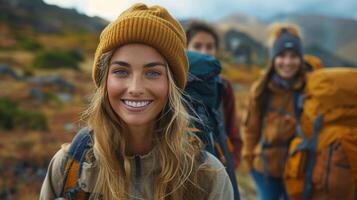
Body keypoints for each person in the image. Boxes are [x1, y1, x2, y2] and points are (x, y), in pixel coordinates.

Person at [40, 4, 234, 200]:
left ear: (172, 86)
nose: (135, 88)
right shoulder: (68, 168)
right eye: (121, 71)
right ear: (104, 81)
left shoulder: (207, 177)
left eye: (153, 73)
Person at [241, 23, 306, 200]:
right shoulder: (261, 90)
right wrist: (249, 161)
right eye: (282, 56)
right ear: (273, 59)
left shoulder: (309, 89)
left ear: (300, 59)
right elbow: (251, 129)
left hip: (299, 169)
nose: (287, 62)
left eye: (293, 56)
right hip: (265, 170)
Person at [185, 20, 241, 199]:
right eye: (197, 46)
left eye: (210, 47)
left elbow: (232, 128)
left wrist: (232, 160)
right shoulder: (175, 83)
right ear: (185, 48)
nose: (204, 52)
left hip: (221, 159)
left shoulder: (223, 85)